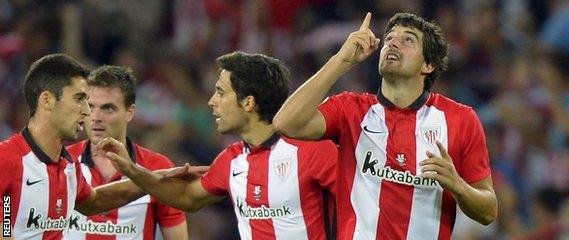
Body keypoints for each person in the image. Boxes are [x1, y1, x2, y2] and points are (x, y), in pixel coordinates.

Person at [272, 12, 498, 239]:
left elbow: (489, 211)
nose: (393, 42)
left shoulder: (460, 119)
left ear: (428, 64)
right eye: (389, 38)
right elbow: (285, 122)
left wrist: (458, 186)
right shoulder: (351, 109)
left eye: (408, 39)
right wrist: (341, 60)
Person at [96, 51, 338, 240]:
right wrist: (130, 168)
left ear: (248, 103)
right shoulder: (231, 160)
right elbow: (187, 197)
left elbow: (363, 206)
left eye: (221, 93)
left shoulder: (313, 151)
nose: (212, 102)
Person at [0, 54, 154, 239]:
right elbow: (4, 230)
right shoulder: (7, 159)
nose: (87, 111)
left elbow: (94, 201)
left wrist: (159, 179)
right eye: (79, 99)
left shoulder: (69, 166)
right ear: (47, 100)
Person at [65, 65, 188, 240]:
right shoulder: (62, 163)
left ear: (130, 112)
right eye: (90, 106)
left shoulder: (157, 168)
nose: (96, 117)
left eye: (108, 108)